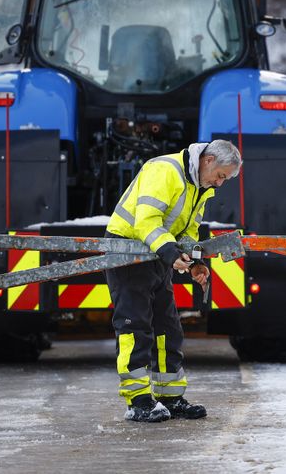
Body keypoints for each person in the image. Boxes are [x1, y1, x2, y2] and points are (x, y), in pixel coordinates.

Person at [105, 139, 242, 422]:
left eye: (224, 180)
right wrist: (170, 253)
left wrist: (194, 263)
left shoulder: (199, 186)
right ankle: (138, 401)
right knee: (135, 327)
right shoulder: (164, 170)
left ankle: (170, 397)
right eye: (220, 176)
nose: (219, 184)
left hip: (154, 253)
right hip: (127, 251)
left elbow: (187, 231)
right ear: (208, 161)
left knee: (168, 327)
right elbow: (146, 222)